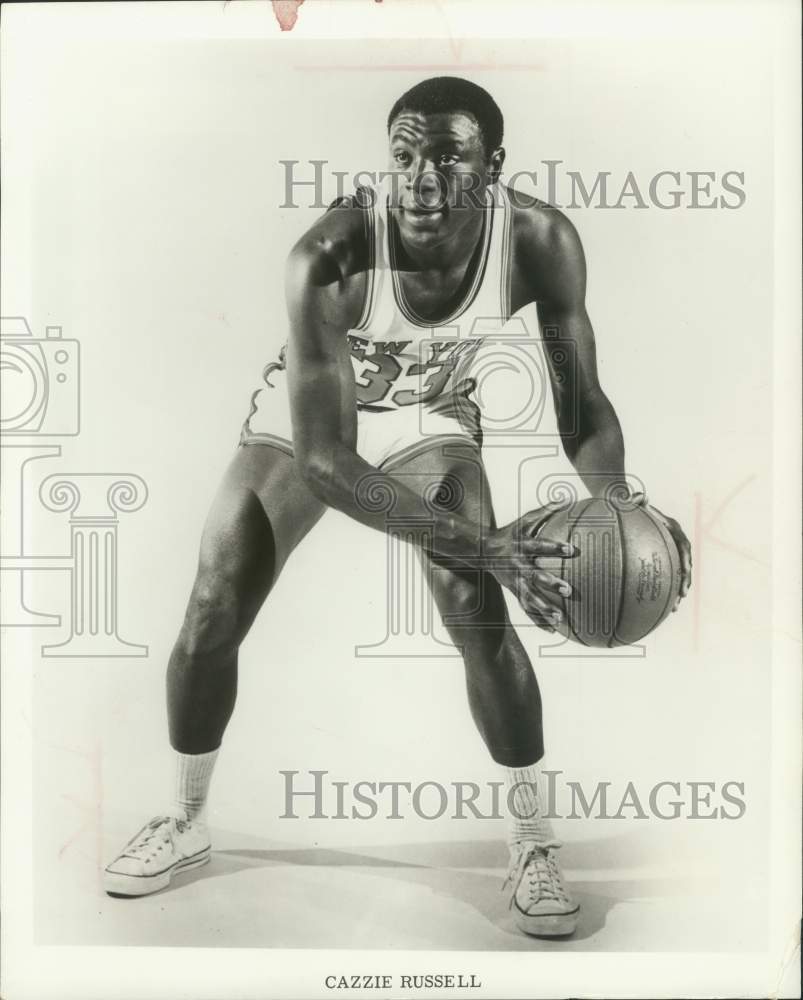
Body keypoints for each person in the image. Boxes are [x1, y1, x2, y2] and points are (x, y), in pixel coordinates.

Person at [103, 77, 691, 937]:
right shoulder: (330, 256)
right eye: (404, 153)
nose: (419, 176)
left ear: (493, 167)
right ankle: (186, 821)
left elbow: (582, 404)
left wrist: (613, 511)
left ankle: (531, 841)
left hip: (431, 417)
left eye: (447, 154)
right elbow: (327, 465)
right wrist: (486, 542)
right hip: (315, 425)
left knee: (475, 612)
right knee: (212, 602)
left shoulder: (539, 242)